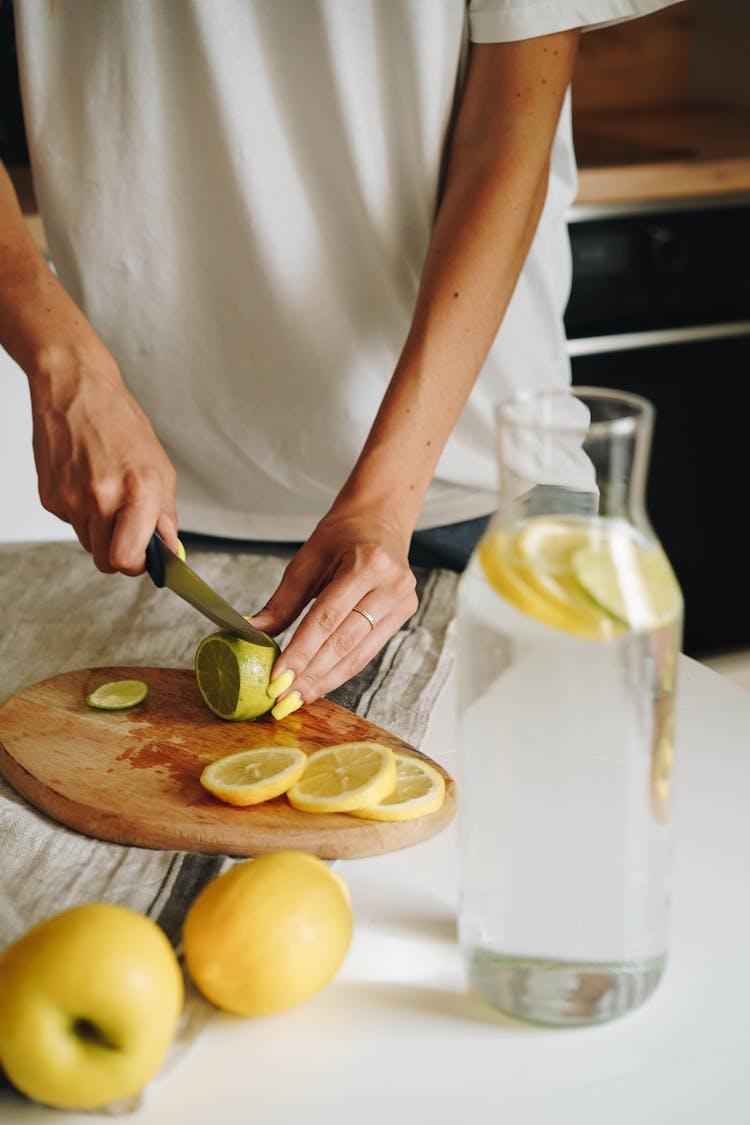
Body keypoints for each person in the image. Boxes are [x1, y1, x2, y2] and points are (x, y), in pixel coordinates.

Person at [0, 0, 675, 718]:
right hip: (168, 510)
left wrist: (387, 496)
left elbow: (509, 138)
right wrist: (65, 368)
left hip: (478, 490)